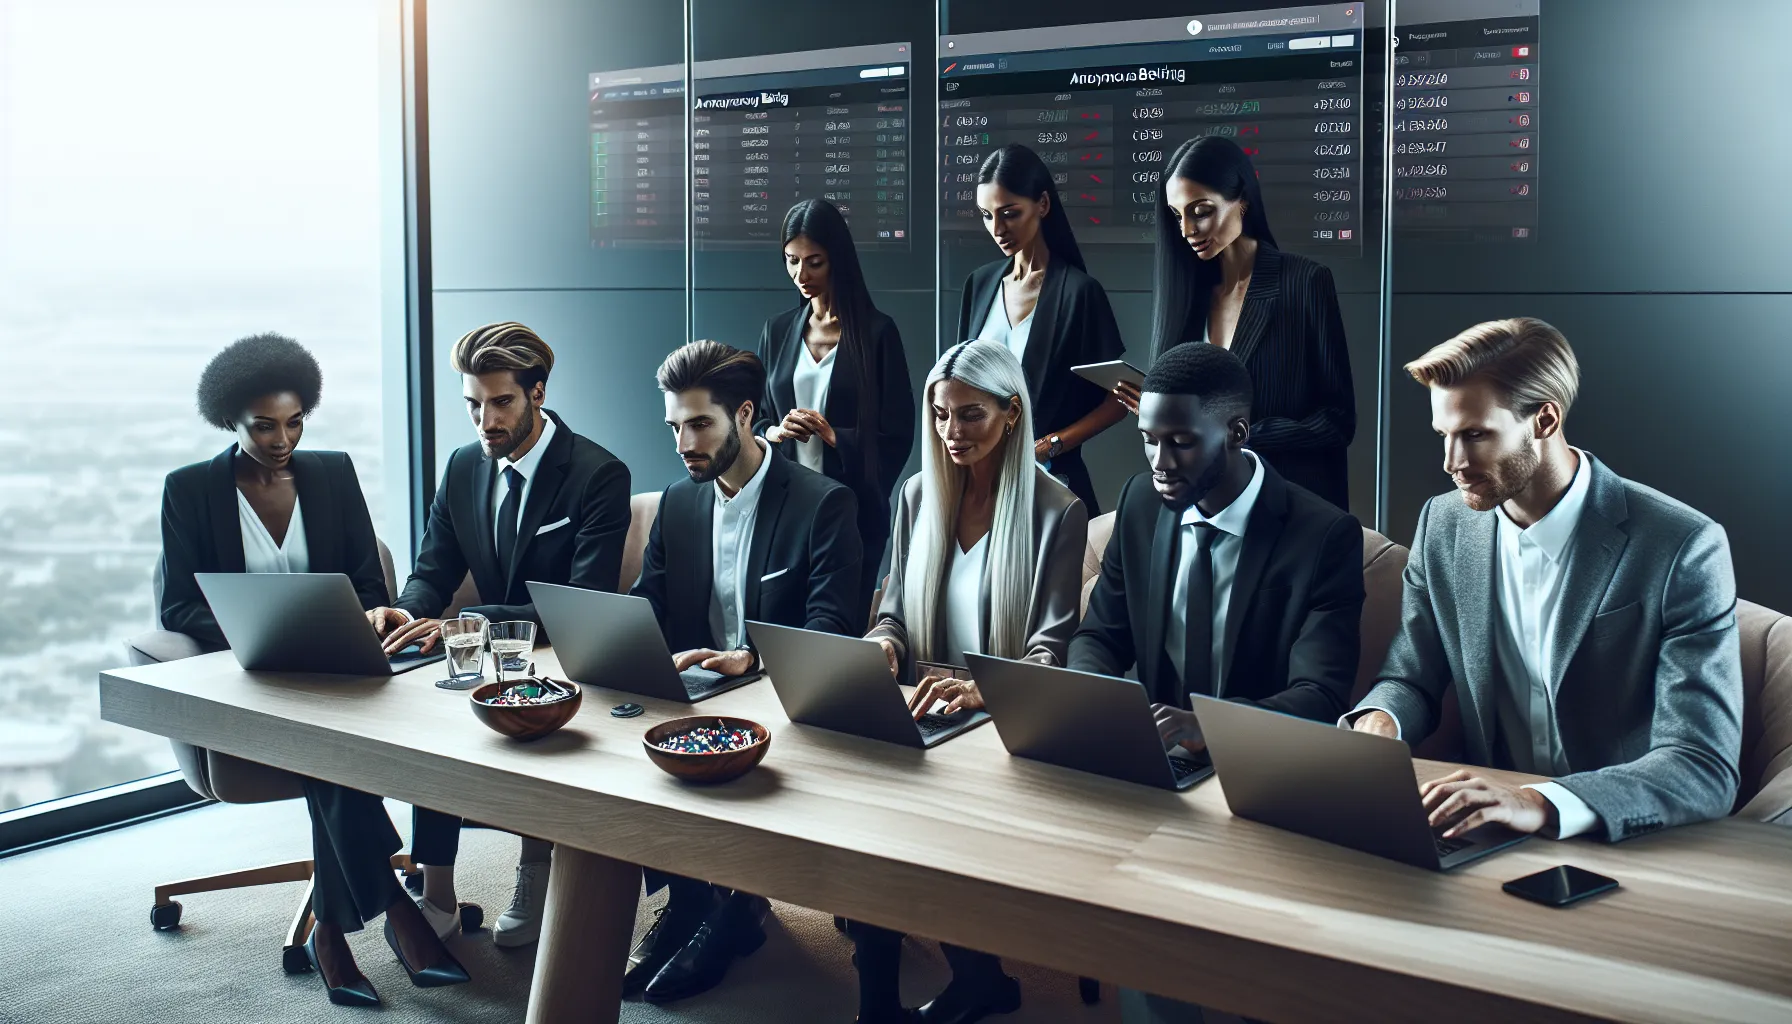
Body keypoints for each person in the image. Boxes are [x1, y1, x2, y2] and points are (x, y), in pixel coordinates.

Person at [1347, 318, 1743, 845]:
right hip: (1482, 829)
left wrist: (1537, 801)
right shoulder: (1442, 526)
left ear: (1545, 420)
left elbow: (1700, 763)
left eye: (1475, 435)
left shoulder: (1683, 546)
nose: (1452, 463)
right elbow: (1412, 678)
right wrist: (1379, 725)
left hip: (1623, 839)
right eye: (1444, 436)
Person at [160, 334, 466, 1006]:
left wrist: (360, 618)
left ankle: (334, 927)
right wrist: (259, 623)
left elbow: (364, 582)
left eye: (295, 421)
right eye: (263, 425)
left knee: (332, 736)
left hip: (335, 667)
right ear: (229, 420)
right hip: (252, 676)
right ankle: (394, 914)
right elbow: (178, 604)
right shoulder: (190, 490)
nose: (281, 439)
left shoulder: (331, 474)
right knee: (328, 748)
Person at [1071, 341, 1364, 1024]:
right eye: (1148, 441)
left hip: (1259, 792)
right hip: (1154, 781)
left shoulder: (1323, 536)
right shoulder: (1142, 503)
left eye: (1180, 444)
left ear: (1236, 432)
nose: (1159, 463)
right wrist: (1092, 703)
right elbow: (1100, 637)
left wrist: (1209, 727)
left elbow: (1320, 695)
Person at [365, 322, 632, 949]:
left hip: (560, 659)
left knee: (534, 728)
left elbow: (579, 603)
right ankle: (437, 893)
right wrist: (406, 611)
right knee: (424, 719)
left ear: (537, 394)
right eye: (473, 405)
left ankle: (533, 874)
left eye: (500, 402)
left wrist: (472, 621)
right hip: (486, 653)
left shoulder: (597, 475)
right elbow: (433, 568)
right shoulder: (463, 467)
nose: (485, 420)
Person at [849, 339, 1088, 1024]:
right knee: (865, 812)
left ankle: (973, 981)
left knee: (900, 824)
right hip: (922, 710)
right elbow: (891, 612)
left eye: (971, 416)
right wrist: (883, 646)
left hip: (1000, 727)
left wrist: (988, 691)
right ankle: (885, 1005)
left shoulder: (1057, 511)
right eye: (942, 415)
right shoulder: (919, 495)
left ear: (1013, 414)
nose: (952, 433)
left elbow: (1052, 652)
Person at [627, 340, 863, 1003]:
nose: (683, 441)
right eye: (674, 426)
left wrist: (753, 659)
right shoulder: (678, 501)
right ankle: (692, 898)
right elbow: (650, 602)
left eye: (700, 423)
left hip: (780, 700)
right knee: (622, 726)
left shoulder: (823, 503)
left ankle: (734, 912)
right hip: (698, 693)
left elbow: (832, 632)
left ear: (747, 415)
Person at [1118, 136, 1355, 512]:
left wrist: (1239, 435)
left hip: (1286, 501)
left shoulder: (1304, 282)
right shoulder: (1186, 295)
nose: (1186, 231)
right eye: (1176, 215)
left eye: (1200, 211)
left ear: (1242, 199)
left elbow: (1338, 421)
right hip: (1204, 502)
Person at [757, 198, 916, 621]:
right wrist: (776, 432)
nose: (801, 275)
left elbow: (900, 433)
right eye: (792, 261)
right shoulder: (776, 331)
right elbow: (753, 416)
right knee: (783, 626)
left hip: (852, 511)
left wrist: (834, 436)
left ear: (837, 260)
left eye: (815, 262)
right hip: (786, 511)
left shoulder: (878, 333)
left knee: (837, 628)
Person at [956, 143, 1128, 515]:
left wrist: (1053, 444)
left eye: (1010, 214)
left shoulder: (1080, 293)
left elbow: (1118, 400)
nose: (997, 229)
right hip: (976, 482)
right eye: (987, 215)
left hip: (1049, 481)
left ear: (1043, 205)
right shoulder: (980, 284)